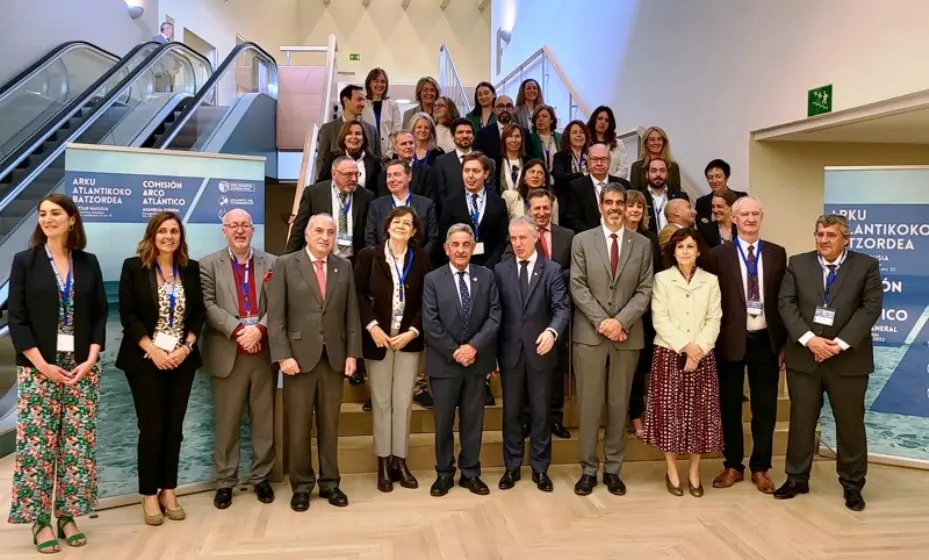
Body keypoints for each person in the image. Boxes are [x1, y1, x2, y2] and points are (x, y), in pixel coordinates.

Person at [7, 194, 106, 552]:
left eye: (55, 213)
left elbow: (98, 314)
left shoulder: (88, 263)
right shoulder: (24, 262)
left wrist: (92, 357)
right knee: (38, 448)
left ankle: (67, 515)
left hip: (81, 369)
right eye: (43, 214)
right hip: (38, 370)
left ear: (72, 220)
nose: (47, 219)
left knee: (77, 448)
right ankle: (39, 521)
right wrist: (41, 363)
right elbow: (15, 317)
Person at [775, 214, 882, 511]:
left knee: (850, 425)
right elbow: (786, 303)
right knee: (801, 421)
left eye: (831, 235)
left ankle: (852, 484)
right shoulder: (798, 263)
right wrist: (810, 339)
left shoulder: (866, 266)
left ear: (846, 239)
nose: (823, 240)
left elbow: (870, 308)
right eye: (819, 234)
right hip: (804, 357)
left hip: (848, 360)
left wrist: (839, 344)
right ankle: (797, 478)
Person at [268, 213, 362, 512]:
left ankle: (331, 483)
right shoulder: (285, 264)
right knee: (298, 428)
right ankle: (302, 486)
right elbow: (276, 316)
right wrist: (282, 355)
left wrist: (352, 354)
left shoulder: (343, 267)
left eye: (331, 232)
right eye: (319, 231)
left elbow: (351, 315)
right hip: (297, 359)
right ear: (306, 234)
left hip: (333, 357)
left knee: (329, 425)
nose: (325, 237)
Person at [116, 211, 205, 525]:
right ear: (152, 234)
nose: (169, 236)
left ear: (181, 237)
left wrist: (187, 347)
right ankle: (149, 494)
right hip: (145, 360)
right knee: (151, 429)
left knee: (174, 429)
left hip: (181, 360)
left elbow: (198, 313)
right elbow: (128, 315)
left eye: (174, 231)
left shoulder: (190, 269)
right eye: (163, 231)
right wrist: (153, 350)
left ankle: (169, 489)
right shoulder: (133, 267)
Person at [570, 184, 654, 496]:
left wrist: (620, 321)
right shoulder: (582, 240)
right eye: (610, 202)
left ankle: (614, 469)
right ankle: (588, 470)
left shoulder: (642, 245)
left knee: (620, 405)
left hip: (627, 336)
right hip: (590, 336)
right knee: (590, 405)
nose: (616, 207)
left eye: (621, 202)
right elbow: (577, 286)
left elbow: (645, 289)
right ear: (601, 205)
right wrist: (604, 322)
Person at [705, 196, 787, 494]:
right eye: (744, 214)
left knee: (765, 407)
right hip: (730, 340)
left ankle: (761, 468)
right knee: (729, 406)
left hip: (766, 340)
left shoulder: (778, 254)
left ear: (761, 218)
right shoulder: (718, 255)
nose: (750, 219)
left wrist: (785, 343)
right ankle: (732, 465)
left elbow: (783, 301)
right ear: (734, 218)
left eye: (755, 213)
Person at [199, 209, 277, 510]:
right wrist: (238, 330)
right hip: (227, 353)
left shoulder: (273, 262)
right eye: (234, 226)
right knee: (228, 422)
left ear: (253, 230)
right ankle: (225, 481)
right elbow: (207, 303)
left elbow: (280, 303)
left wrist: (258, 329)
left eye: (245, 225)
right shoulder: (207, 265)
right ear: (224, 231)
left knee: (263, 420)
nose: (240, 230)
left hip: (263, 351)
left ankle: (261, 477)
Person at [354, 207, 432, 492]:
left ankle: (400, 460)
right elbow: (358, 294)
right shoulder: (368, 256)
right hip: (378, 339)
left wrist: (413, 331)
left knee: (403, 401)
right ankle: (383, 462)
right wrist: (372, 326)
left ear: (414, 232)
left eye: (408, 223)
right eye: (397, 221)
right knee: (382, 401)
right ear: (388, 226)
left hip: (408, 340)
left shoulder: (421, 258)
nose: (401, 226)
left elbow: (428, 298)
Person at [422, 224, 501, 497]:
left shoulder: (486, 276)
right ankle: (444, 473)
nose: (460, 249)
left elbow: (494, 317)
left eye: (466, 244)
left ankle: (471, 473)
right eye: (455, 245)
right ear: (446, 249)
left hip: (476, 363)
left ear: (473, 247)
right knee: (443, 423)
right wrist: (456, 351)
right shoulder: (432, 279)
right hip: (445, 364)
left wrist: (473, 348)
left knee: (472, 422)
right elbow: (430, 323)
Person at [644, 227, 723, 497]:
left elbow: (714, 319)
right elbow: (660, 319)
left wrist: (698, 349)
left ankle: (694, 470)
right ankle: (672, 470)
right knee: (670, 415)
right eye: (680, 247)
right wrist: (686, 348)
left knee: (699, 416)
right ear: (673, 252)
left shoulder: (710, 281)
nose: (685, 251)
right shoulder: (662, 280)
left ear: (698, 250)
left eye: (690, 246)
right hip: (669, 354)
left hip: (703, 356)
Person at [494, 216, 570, 492]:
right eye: (513, 239)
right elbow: (495, 314)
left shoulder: (552, 270)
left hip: (541, 351)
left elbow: (562, 308)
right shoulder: (500, 271)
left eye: (522, 238)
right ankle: (511, 467)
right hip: (510, 352)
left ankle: (540, 468)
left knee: (540, 413)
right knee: (511, 413)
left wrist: (552, 332)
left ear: (536, 236)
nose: (517, 244)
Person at [623, 189, 661, 438]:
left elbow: (654, 276)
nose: (635, 210)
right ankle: (628, 415)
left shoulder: (649, 239)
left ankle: (641, 413)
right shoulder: (612, 236)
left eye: (640, 206)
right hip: (616, 313)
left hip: (644, 313)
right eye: (631, 206)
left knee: (640, 367)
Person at [286, 156, 375, 258]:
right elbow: (299, 228)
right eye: (348, 174)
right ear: (334, 174)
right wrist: (287, 260)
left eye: (356, 174)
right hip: (322, 259)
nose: (354, 179)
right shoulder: (314, 193)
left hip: (353, 263)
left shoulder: (366, 196)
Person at [437, 152, 509, 270]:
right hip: (459, 266)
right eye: (466, 171)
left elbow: (501, 240)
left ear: (486, 174)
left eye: (475, 171)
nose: (470, 176)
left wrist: (489, 267)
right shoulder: (451, 203)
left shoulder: (498, 203)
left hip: (490, 268)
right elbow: (444, 238)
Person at [366, 159, 439, 255]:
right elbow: (370, 238)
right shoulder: (376, 206)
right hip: (384, 264)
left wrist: (419, 260)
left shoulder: (426, 205)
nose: (391, 179)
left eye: (396, 174)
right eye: (389, 176)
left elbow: (433, 238)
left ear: (409, 176)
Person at [316, 85, 380, 181]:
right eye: (359, 100)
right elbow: (321, 161)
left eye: (364, 100)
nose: (363, 104)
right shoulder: (328, 129)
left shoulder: (371, 130)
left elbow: (377, 161)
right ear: (346, 100)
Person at [562, 143, 630, 233]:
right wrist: (596, 237)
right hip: (588, 240)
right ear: (588, 161)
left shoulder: (624, 185)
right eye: (595, 159)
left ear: (609, 161)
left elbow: (628, 214)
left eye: (603, 159)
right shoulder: (575, 187)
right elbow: (573, 220)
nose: (599, 163)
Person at [317, 121, 383, 195]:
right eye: (349, 133)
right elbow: (321, 185)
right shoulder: (332, 158)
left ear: (363, 139)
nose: (354, 137)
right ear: (344, 139)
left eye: (358, 133)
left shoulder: (375, 162)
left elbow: (379, 192)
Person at [376, 130, 436, 202]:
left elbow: (429, 202)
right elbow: (383, 202)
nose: (408, 146)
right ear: (395, 149)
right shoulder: (384, 174)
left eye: (411, 143)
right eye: (403, 144)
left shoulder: (427, 172)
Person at [474, 95, 537, 163]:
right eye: (500, 106)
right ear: (494, 110)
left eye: (508, 106)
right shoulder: (483, 134)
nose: (505, 110)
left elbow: (530, 159)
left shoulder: (524, 132)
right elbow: (479, 160)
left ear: (513, 110)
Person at [642, 157, 690, 238]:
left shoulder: (680, 196)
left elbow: (688, 223)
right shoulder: (640, 197)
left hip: (676, 243)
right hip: (648, 245)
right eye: (654, 170)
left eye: (662, 171)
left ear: (667, 174)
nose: (658, 174)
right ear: (647, 174)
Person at [502, 159, 560, 224]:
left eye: (540, 173)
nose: (535, 176)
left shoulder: (552, 200)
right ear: (524, 177)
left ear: (544, 180)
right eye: (532, 172)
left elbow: (555, 227)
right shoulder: (510, 196)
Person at [433, 118, 475, 205]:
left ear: (473, 136)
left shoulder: (484, 160)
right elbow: (440, 195)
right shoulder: (441, 162)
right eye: (460, 132)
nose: (465, 135)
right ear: (452, 136)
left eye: (468, 132)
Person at [361, 68, 402, 157]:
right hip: (367, 154)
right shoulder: (362, 105)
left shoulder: (393, 105)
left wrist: (389, 154)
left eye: (383, 82)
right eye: (376, 81)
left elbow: (397, 133)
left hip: (389, 154)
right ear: (369, 84)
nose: (380, 84)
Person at [694, 159, 747, 226]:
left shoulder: (741, 198)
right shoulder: (701, 202)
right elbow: (700, 226)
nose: (714, 181)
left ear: (726, 177)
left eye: (718, 176)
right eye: (710, 177)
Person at [629, 127, 682, 191]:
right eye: (652, 139)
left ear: (664, 142)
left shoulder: (673, 166)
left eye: (659, 139)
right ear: (646, 143)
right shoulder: (637, 166)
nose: (656, 142)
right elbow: (634, 194)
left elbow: (677, 193)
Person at [586, 106, 629, 179]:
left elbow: (623, 170)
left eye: (607, 120)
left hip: (613, 186)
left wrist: (606, 180)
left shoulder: (619, 144)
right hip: (588, 185)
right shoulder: (585, 142)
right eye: (600, 118)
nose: (603, 122)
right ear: (594, 120)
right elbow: (582, 169)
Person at [528, 105, 560, 174]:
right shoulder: (529, 138)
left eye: (544, 116)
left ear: (551, 120)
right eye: (537, 117)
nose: (540, 119)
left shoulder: (560, 138)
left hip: (557, 178)